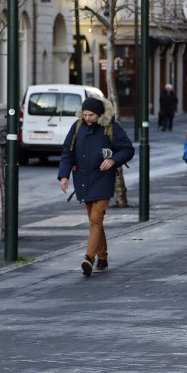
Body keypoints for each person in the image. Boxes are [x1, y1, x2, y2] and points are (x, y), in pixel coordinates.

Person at [57, 96, 134, 277]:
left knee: (96, 219)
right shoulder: (77, 127)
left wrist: (113, 160)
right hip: (83, 179)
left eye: (91, 115)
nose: (88, 118)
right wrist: (63, 176)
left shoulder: (110, 127)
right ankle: (103, 258)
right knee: (95, 221)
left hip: (103, 179)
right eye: (85, 115)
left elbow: (128, 149)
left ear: (99, 113)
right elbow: (67, 152)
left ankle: (89, 258)